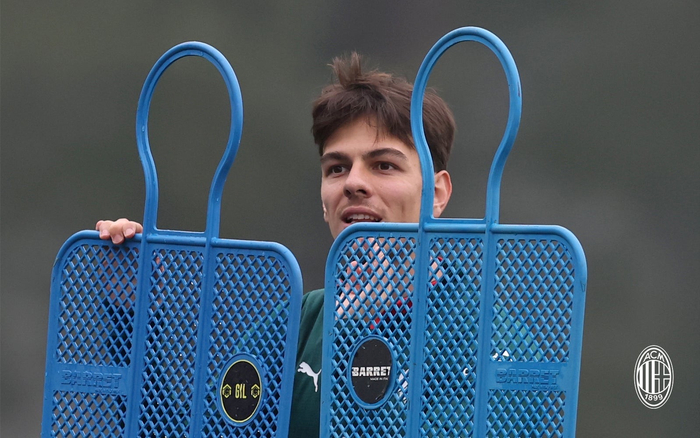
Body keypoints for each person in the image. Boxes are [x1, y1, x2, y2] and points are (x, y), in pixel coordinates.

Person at [96, 52, 456, 438]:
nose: (353, 183)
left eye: (384, 165)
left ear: (436, 194)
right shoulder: (301, 322)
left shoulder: (483, 335)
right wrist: (131, 317)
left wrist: (353, 335)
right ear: (323, 202)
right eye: (336, 168)